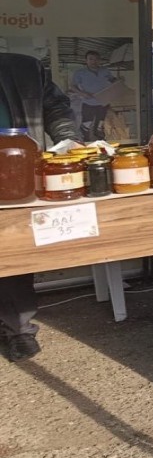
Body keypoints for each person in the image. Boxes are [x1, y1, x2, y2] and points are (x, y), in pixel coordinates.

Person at [0, 52, 80, 361]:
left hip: (17, 173)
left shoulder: (24, 68)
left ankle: (18, 328)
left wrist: (68, 138)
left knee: (13, 248)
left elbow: (56, 108)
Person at [69, 50, 116, 141]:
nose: (94, 61)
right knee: (86, 125)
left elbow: (112, 80)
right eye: (91, 59)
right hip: (88, 102)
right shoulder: (80, 73)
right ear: (86, 60)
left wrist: (118, 80)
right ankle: (86, 143)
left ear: (99, 60)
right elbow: (72, 86)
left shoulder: (105, 71)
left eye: (96, 59)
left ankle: (100, 143)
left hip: (103, 102)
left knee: (100, 126)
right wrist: (82, 93)